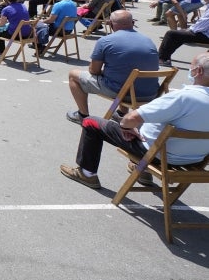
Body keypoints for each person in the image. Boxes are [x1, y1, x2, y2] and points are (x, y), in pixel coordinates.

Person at [60, 53, 209, 190]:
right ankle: (141, 169)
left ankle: (87, 173)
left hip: (159, 156)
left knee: (91, 122)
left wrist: (126, 127)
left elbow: (131, 119)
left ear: (198, 71)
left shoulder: (183, 97)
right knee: (150, 123)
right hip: (194, 160)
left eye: (192, 66)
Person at [66, 10, 159, 124]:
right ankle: (121, 113)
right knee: (122, 74)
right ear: (133, 23)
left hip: (123, 92)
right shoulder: (148, 40)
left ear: (110, 24)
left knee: (73, 75)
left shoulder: (105, 41)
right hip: (150, 93)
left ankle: (83, 115)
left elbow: (93, 70)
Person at [158, 0, 209, 65]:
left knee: (171, 34)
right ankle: (164, 56)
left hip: (206, 35)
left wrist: (190, 29)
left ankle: (162, 59)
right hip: (205, 33)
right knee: (180, 35)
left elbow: (204, 23)